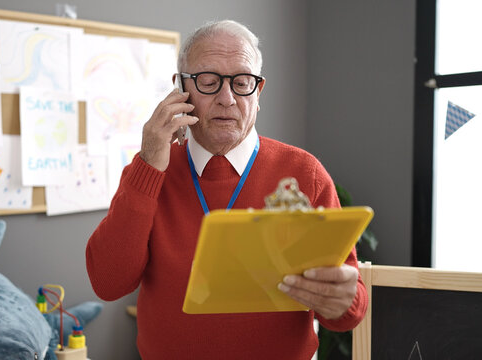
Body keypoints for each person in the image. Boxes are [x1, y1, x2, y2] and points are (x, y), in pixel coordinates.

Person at [86, 19, 367, 359]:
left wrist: (342, 299)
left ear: (258, 92)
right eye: (208, 81)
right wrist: (148, 165)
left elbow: (348, 312)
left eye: (242, 82)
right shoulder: (149, 170)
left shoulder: (303, 173)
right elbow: (108, 282)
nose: (227, 98)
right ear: (180, 90)